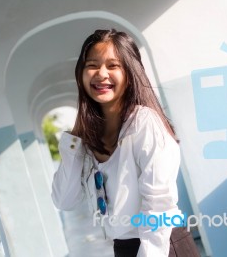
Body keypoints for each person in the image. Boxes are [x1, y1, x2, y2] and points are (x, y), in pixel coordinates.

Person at [51, 29, 199, 257]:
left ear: (130, 73)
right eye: (92, 65)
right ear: (81, 74)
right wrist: (75, 143)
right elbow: (64, 200)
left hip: (161, 245)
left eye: (113, 66)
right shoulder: (88, 138)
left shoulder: (143, 123)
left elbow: (159, 206)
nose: (101, 74)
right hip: (124, 247)